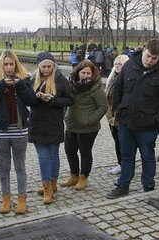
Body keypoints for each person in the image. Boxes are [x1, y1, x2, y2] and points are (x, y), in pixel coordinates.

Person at [106, 39, 159, 199]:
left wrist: (158, 117)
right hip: (126, 121)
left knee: (147, 156)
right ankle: (123, 185)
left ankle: (148, 186)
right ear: (144, 50)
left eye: (154, 58)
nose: (150, 60)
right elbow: (118, 87)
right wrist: (118, 109)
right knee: (126, 155)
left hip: (149, 125)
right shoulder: (129, 66)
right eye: (148, 56)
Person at [0, 50, 36, 214]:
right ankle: (6, 199)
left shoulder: (24, 78)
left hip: (19, 129)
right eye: (5, 64)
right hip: (1, 130)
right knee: (4, 166)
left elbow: (31, 100)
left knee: (20, 166)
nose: (8, 67)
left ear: (16, 64)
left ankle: (22, 199)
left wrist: (19, 85)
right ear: (1, 65)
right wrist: (1, 85)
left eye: (11, 63)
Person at [29, 52, 73, 204]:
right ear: (39, 66)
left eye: (49, 66)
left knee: (53, 155)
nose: (46, 70)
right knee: (43, 157)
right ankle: (46, 186)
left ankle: (53, 184)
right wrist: (36, 97)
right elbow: (27, 99)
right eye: (44, 67)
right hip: (37, 123)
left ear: (53, 66)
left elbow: (69, 100)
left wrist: (53, 100)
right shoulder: (33, 79)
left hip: (54, 123)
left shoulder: (60, 80)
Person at [61, 60, 107, 191]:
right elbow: (66, 100)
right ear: (78, 72)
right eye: (83, 72)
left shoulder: (96, 86)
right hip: (71, 124)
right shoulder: (71, 84)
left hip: (88, 127)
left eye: (88, 73)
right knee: (70, 150)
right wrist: (65, 114)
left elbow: (103, 107)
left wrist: (90, 120)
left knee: (85, 152)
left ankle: (83, 177)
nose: (86, 76)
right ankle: (73, 175)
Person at [104, 54, 130, 175]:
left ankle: (126, 164)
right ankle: (120, 163)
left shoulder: (128, 78)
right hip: (112, 116)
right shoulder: (112, 78)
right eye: (116, 64)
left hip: (123, 116)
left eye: (121, 64)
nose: (118, 66)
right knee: (117, 141)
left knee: (124, 142)